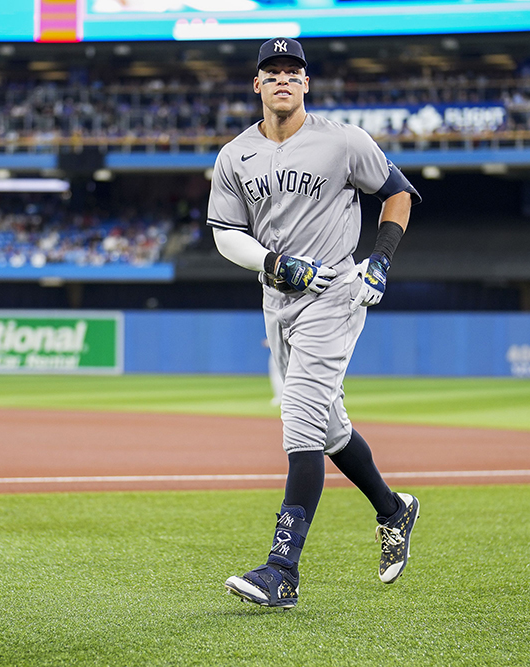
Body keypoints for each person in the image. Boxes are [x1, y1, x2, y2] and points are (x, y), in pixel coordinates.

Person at [208, 37, 421, 609]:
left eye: (292, 71)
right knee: (328, 430)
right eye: (271, 70)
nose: (282, 78)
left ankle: (282, 570)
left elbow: (398, 193)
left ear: (307, 83)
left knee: (300, 420)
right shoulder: (234, 156)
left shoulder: (342, 140)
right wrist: (273, 262)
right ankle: (393, 509)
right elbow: (226, 234)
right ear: (257, 84)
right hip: (277, 300)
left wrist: (379, 260)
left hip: (335, 293)